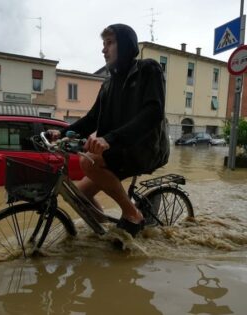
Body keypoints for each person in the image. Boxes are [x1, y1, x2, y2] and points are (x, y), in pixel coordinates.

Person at [49, 24, 168, 237]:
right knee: (80, 195)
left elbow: (153, 112)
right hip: (119, 149)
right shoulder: (107, 85)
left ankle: (133, 214)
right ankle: (101, 234)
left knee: (88, 160)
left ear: (126, 45)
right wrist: (63, 132)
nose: (104, 50)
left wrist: (110, 139)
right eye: (103, 44)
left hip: (144, 148)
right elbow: (91, 119)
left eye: (110, 43)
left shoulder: (148, 69)